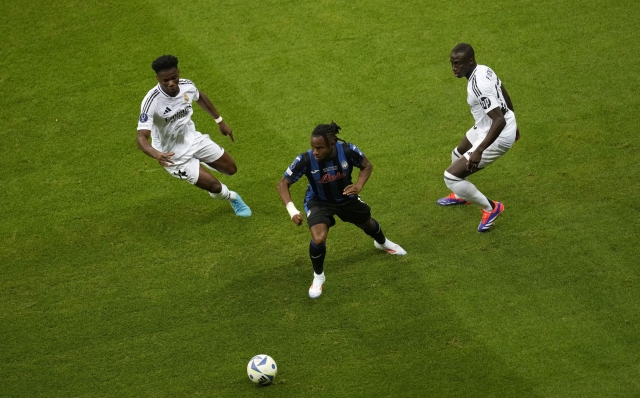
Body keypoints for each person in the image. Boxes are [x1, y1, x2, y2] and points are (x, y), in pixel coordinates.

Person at [277, 122, 406, 299]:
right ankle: (318, 277)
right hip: (319, 201)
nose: (315, 151)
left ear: (331, 145)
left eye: (319, 148)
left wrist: (359, 186)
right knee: (319, 238)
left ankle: (382, 243)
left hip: (346, 197)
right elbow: (283, 183)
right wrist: (292, 210)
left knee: (366, 223)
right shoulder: (306, 159)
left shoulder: (347, 151)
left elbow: (366, 166)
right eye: (313, 147)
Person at [136, 55, 251, 217]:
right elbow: (141, 138)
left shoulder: (186, 86)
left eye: (174, 78)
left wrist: (220, 121)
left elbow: (200, 96)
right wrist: (157, 154)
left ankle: (201, 161)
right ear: (158, 79)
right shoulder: (152, 101)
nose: (171, 83)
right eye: (165, 80)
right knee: (215, 187)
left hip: (193, 139)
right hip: (172, 154)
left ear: (178, 73)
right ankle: (233, 198)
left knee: (231, 169)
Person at [437, 43, 520, 232]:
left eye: (458, 63)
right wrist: (514, 120)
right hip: (490, 125)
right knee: (458, 153)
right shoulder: (484, 70)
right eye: (452, 64)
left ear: (471, 60)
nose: (454, 68)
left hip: (497, 133)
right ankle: (461, 195)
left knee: (450, 176)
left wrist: (479, 150)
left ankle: (491, 208)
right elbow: (503, 92)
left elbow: (498, 120)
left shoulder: (478, 85)